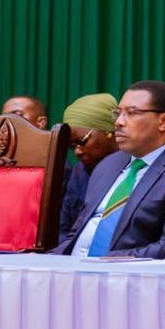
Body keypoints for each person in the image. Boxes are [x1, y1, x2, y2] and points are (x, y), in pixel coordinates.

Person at [51, 80, 165, 259]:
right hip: (72, 267)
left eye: (132, 113)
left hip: (125, 272)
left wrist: (102, 262)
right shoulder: (108, 165)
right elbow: (77, 234)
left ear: (164, 121)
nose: (118, 122)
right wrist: (48, 259)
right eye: (118, 113)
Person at [58, 93, 119, 238]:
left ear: (109, 131)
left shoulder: (133, 168)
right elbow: (64, 227)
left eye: (82, 141)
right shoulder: (79, 171)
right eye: (72, 146)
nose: (77, 152)